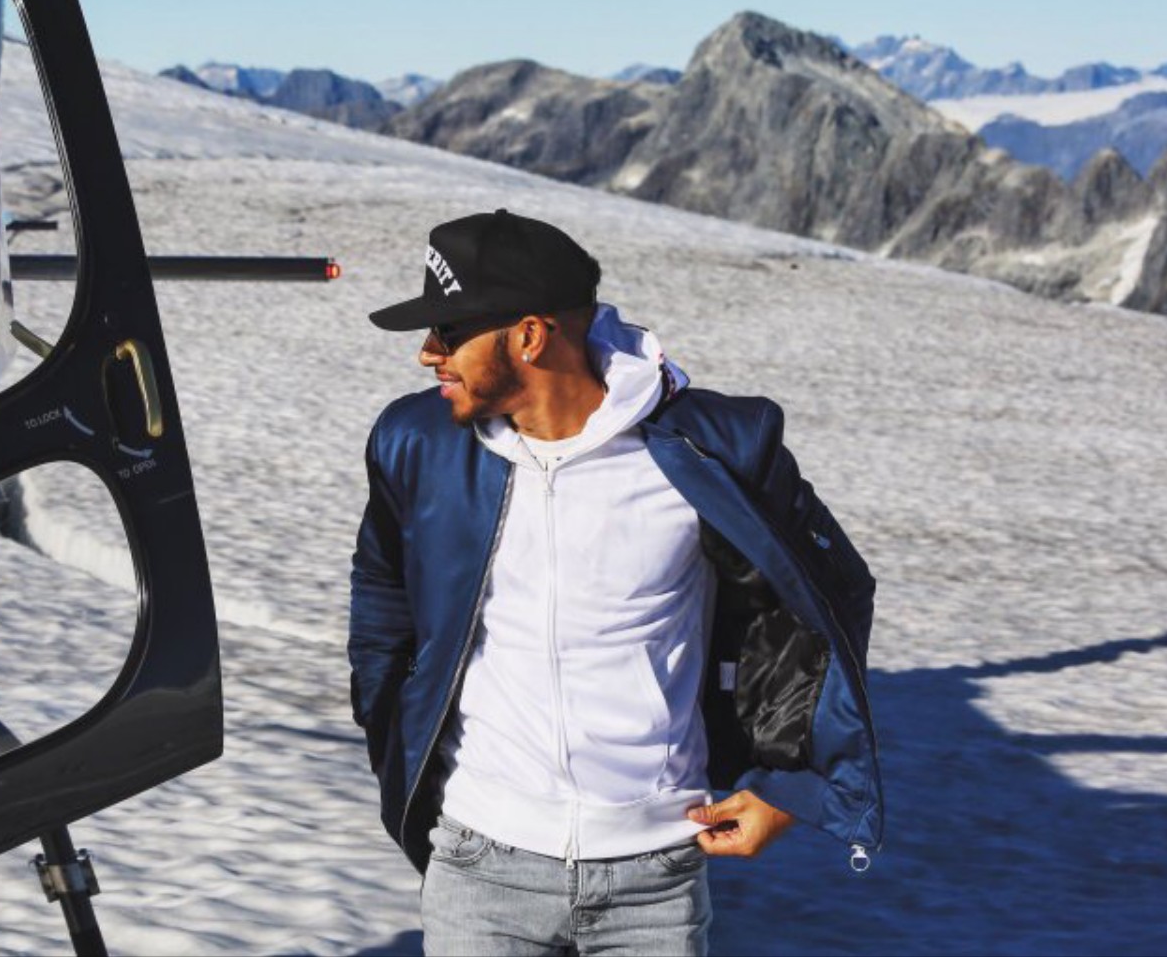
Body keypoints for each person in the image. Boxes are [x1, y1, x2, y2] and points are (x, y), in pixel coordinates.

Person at [349, 209, 882, 957]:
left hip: (654, 877)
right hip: (480, 864)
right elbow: (383, 598)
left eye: (448, 331)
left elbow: (822, 602)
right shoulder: (417, 444)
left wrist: (789, 785)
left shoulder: (708, 451)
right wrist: (392, 735)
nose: (428, 353)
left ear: (529, 337)